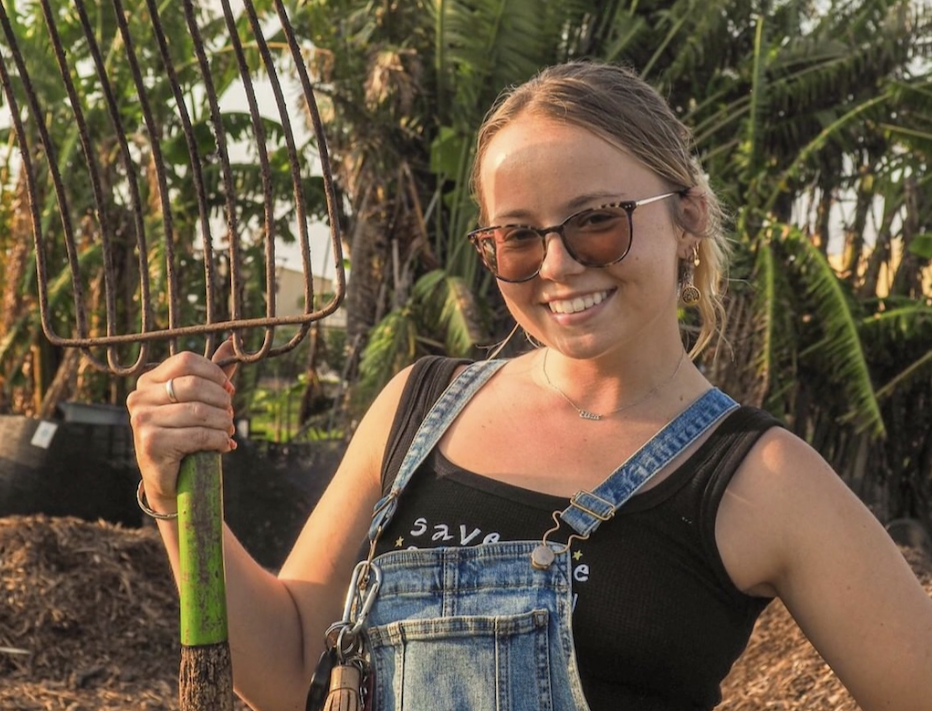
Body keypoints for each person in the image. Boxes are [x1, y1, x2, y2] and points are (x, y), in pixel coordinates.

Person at [127, 61, 932, 711]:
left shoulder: (761, 479)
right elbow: (285, 663)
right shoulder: (417, 409)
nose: (556, 264)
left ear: (686, 217)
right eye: (517, 238)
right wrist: (172, 493)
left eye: (596, 221)